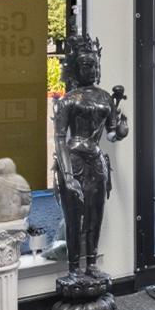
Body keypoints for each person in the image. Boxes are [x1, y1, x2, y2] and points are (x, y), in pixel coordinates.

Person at [54, 34, 129, 276]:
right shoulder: (68, 100)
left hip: (96, 161)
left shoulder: (106, 97)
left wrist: (121, 131)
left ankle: (92, 263)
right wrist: (67, 175)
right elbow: (59, 139)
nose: (92, 69)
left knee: (96, 215)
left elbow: (110, 135)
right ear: (76, 68)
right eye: (86, 65)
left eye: (94, 64)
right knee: (75, 218)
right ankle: (74, 267)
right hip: (73, 160)